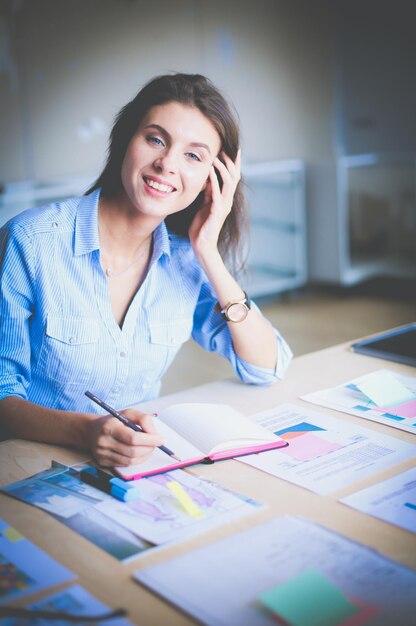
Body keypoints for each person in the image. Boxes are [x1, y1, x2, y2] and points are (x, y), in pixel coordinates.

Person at [0, 73, 292, 467]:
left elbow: (266, 367)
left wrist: (208, 251)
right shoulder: (31, 241)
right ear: (125, 141)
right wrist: (87, 431)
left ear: (213, 178)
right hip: (28, 466)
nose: (167, 164)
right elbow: (3, 395)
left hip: (133, 467)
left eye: (194, 156)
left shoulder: (186, 259)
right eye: (155, 139)